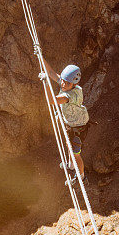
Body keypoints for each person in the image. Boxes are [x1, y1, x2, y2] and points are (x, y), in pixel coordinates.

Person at [39, 54, 90, 182]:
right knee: (69, 145)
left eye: (66, 83)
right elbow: (50, 72)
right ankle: (71, 166)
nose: (62, 84)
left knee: (75, 153)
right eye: (62, 80)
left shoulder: (71, 95)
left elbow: (52, 101)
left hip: (78, 127)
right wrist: (40, 56)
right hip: (72, 123)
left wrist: (45, 83)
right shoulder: (68, 83)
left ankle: (81, 176)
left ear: (73, 84)